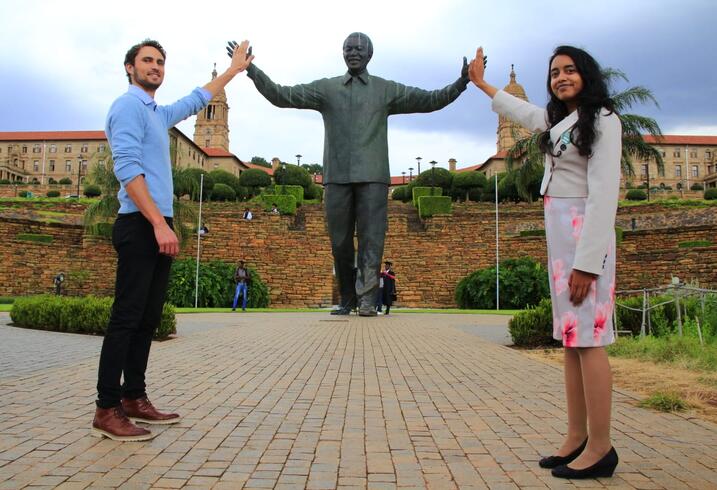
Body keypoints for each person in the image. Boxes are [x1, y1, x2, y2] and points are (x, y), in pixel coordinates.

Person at [228, 33, 470, 317]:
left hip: (373, 175)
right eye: (348, 49)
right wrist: (252, 71)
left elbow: (430, 100)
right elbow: (282, 95)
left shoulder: (386, 89)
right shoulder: (327, 89)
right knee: (340, 242)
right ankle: (347, 297)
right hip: (337, 175)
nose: (353, 53)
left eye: (359, 49)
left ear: (369, 54)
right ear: (342, 53)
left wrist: (461, 83)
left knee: (372, 238)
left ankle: (366, 299)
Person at [469, 45, 621, 479]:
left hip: (584, 236)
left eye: (570, 70)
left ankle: (602, 446)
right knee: (572, 341)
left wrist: (588, 263)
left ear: (587, 75)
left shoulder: (605, 121)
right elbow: (522, 112)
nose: (561, 77)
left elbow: (604, 194)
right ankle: (576, 437)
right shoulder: (558, 121)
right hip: (561, 236)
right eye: (555, 72)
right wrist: (481, 84)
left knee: (589, 340)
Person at [93, 38, 254, 442]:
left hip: (156, 224)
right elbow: (127, 170)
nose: (156, 67)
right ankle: (106, 408)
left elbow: (194, 100)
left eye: (161, 62)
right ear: (129, 67)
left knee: (147, 319)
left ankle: (134, 398)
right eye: (147, 61)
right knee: (126, 319)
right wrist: (158, 224)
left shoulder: (155, 112)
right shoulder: (127, 106)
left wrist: (233, 71)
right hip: (139, 223)